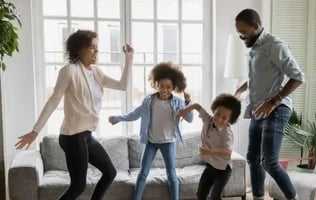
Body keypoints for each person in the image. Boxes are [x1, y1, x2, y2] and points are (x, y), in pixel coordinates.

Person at [15, 30, 134, 200]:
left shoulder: (96, 72)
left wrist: (129, 59)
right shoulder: (69, 71)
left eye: (97, 47)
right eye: (92, 48)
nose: (96, 51)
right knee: (78, 186)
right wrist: (35, 131)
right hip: (72, 136)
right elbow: (53, 101)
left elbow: (122, 86)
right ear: (79, 50)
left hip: (86, 135)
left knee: (110, 172)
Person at [234, 9, 305, 200]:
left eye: (243, 32)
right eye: (238, 32)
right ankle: (258, 197)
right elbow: (258, 78)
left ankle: (292, 198)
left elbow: (298, 77)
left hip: (277, 109)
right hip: (258, 108)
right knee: (252, 158)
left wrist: (274, 101)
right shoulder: (255, 47)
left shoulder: (275, 45)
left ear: (256, 26)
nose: (241, 36)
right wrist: (240, 91)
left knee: (269, 161)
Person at [108, 62, 193, 200]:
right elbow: (135, 114)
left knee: (172, 174)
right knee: (142, 173)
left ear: (173, 87)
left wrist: (188, 103)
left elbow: (189, 119)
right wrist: (118, 118)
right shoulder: (149, 101)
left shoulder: (177, 102)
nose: (165, 90)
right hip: (151, 142)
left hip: (168, 143)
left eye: (168, 87)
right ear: (156, 84)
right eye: (162, 86)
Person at [177, 94, 241, 200]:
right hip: (210, 166)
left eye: (224, 118)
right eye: (217, 114)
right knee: (200, 194)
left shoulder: (227, 133)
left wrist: (210, 152)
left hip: (223, 170)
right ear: (214, 110)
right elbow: (197, 106)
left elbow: (227, 152)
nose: (219, 119)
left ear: (230, 120)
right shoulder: (208, 119)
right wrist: (185, 111)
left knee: (215, 196)